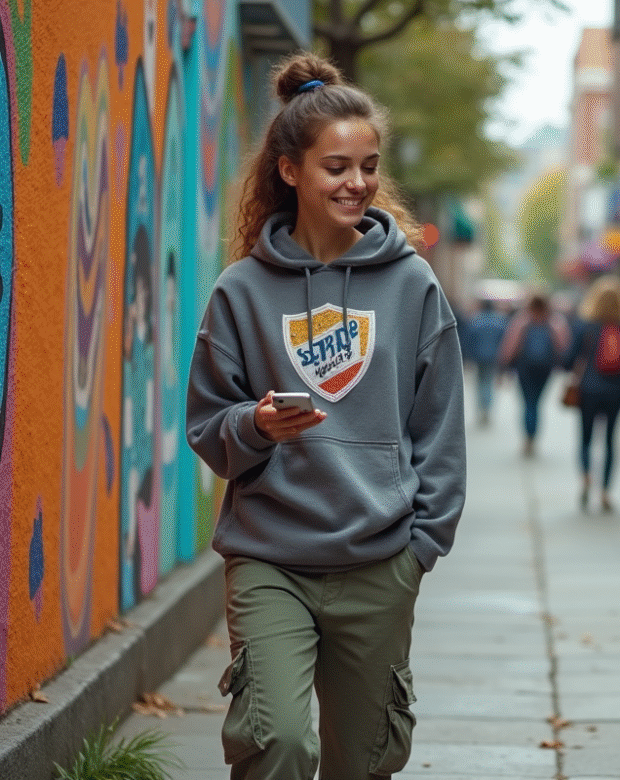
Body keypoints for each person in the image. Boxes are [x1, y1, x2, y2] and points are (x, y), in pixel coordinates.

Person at [185, 52, 465, 780]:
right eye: (336, 167)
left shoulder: (412, 285)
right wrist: (254, 425)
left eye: (368, 166)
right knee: (277, 742)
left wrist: (420, 548)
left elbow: (439, 428)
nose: (357, 183)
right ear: (289, 171)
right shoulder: (240, 292)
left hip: (379, 559)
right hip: (271, 554)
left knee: (362, 761)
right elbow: (208, 424)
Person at [563, 274, 620, 512]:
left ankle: (585, 477)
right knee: (611, 442)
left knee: (585, 438)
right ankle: (605, 491)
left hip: (588, 389)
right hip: (615, 390)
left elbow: (569, 359)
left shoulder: (585, 326)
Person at [499, 289, 571, 457]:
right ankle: (533, 436)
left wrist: (503, 367)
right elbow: (564, 346)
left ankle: (528, 437)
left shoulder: (522, 321)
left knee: (528, 402)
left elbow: (509, 346)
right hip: (545, 368)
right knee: (537, 402)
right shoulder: (554, 321)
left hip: (525, 367)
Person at [464, 297, 509, 426]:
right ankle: (487, 408)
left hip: (478, 356)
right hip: (494, 356)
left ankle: (482, 407)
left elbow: (469, 340)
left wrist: (468, 357)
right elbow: (504, 341)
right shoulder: (499, 321)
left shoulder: (476, 320)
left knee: (479, 382)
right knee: (489, 382)